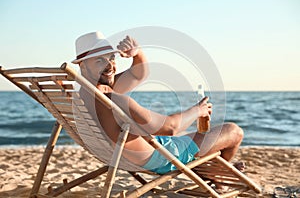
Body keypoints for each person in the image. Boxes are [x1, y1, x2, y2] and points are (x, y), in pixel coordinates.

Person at [72, 31, 244, 175]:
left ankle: (214, 171)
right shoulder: (112, 99)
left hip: (132, 154)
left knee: (194, 137)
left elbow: (138, 75)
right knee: (233, 131)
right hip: (161, 159)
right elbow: (171, 128)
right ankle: (216, 176)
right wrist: (198, 110)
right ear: (83, 66)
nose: (110, 66)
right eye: (100, 60)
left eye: (111, 58)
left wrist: (137, 53)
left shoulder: (86, 94)